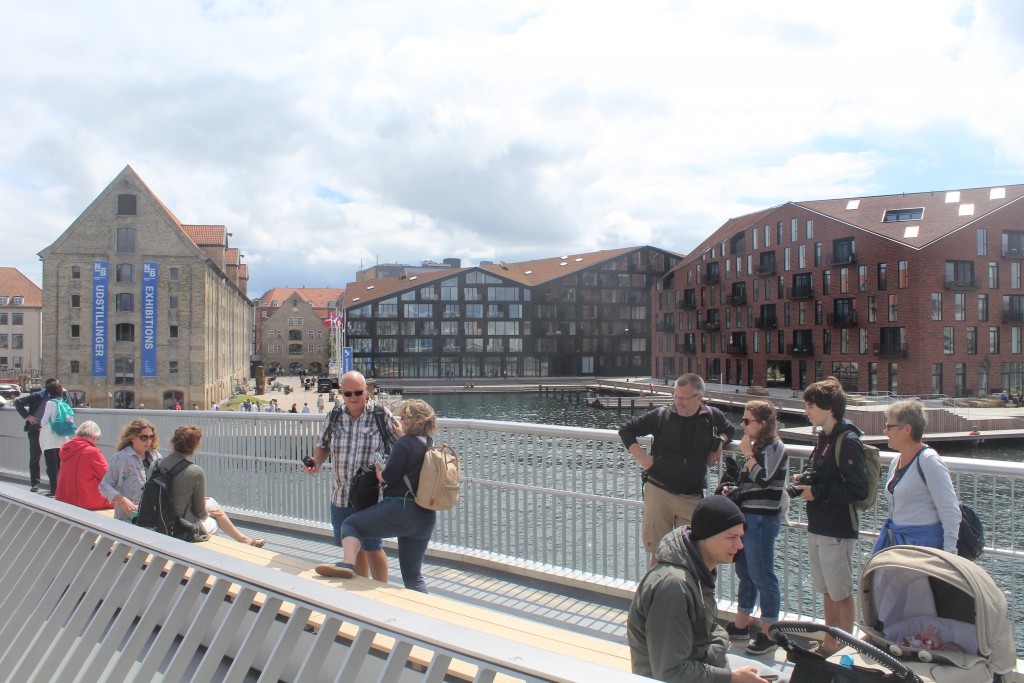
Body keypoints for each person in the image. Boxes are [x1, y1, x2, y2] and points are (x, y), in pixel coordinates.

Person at [628, 495, 778, 683]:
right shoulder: (673, 587)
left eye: (740, 537)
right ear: (707, 536)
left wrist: (717, 647)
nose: (740, 545)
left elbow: (711, 631)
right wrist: (731, 678)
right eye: (731, 537)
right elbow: (671, 672)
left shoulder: (695, 573)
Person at [315, 399, 438, 592]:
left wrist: (380, 467)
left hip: (399, 510)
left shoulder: (404, 444)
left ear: (412, 421)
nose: (400, 419)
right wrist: (400, 437)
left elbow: (387, 477)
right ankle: (426, 617)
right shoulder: (429, 444)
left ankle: (348, 565)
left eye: (404, 417)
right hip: (425, 516)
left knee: (350, 524)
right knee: (413, 576)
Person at [618, 374, 734, 565]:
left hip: (691, 495)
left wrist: (720, 441)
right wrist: (643, 459)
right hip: (658, 491)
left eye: (683, 398)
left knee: (690, 554)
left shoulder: (711, 416)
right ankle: (655, 593)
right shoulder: (661, 415)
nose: (678, 403)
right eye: (676, 397)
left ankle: (685, 593)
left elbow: (728, 430)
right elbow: (626, 430)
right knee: (659, 553)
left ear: (698, 398)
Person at [792, 376, 868, 657]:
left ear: (827, 407)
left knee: (841, 592)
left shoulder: (847, 441)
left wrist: (818, 492)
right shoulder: (825, 438)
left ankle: (845, 649)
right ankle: (829, 643)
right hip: (819, 525)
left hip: (837, 527)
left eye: (810, 406)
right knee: (826, 589)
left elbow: (858, 489)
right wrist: (808, 483)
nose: (806, 412)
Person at [302, 370, 402, 582]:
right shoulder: (334, 415)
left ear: (366, 391)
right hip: (341, 494)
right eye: (348, 394)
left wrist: (389, 465)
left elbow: (400, 447)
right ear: (341, 393)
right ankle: (360, 590)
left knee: (373, 547)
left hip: (371, 497)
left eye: (358, 392)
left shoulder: (381, 415)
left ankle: (381, 590)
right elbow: (323, 445)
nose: (354, 398)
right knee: (354, 550)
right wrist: (316, 462)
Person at [724, 400, 788, 656]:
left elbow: (764, 479)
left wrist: (747, 453)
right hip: (747, 517)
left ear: (763, 424)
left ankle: (770, 632)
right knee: (745, 571)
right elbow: (750, 481)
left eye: (747, 421)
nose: (743, 425)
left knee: (763, 574)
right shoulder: (757, 447)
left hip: (762, 519)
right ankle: (741, 624)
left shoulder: (775, 447)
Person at [873, 400, 960, 554]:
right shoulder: (896, 461)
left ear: (907, 429)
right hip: (898, 545)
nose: (885, 431)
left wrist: (949, 555)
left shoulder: (929, 461)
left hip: (923, 548)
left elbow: (950, 511)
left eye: (889, 427)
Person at [158, 424, 264, 547]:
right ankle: (237, 543)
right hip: (180, 528)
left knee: (211, 502)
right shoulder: (195, 472)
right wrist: (210, 514)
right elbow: (200, 513)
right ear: (195, 446)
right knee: (213, 522)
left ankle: (244, 540)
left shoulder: (156, 465)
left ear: (172, 442)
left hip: (159, 520)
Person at [99, 419, 162, 521]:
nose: (149, 441)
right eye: (144, 437)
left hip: (153, 517)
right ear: (132, 437)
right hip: (128, 519)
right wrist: (122, 500)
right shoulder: (121, 458)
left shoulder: (156, 456)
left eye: (151, 437)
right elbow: (104, 486)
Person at [55, 421, 114, 511]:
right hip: (85, 501)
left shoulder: (66, 448)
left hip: (64, 499)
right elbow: (109, 476)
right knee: (123, 500)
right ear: (95, 437)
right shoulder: (92, 452)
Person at [13, 378, 59, 493]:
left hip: (50, 432)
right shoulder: (37, 396)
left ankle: (55, 485)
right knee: (35, 457)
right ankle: (35, 483)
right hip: (36, 430)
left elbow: (69, 403)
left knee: (53, 459)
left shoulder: (57, 398)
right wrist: (28, 416)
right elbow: (18, 402)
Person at [37, 380, 70, 496]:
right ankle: (62, 488)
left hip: (51, 439)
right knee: (61, 465)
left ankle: (54, 490)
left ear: (49, 393)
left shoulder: (50, 403)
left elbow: (44, 420)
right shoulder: (64, 403)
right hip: (63, 439)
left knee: (52, 466)